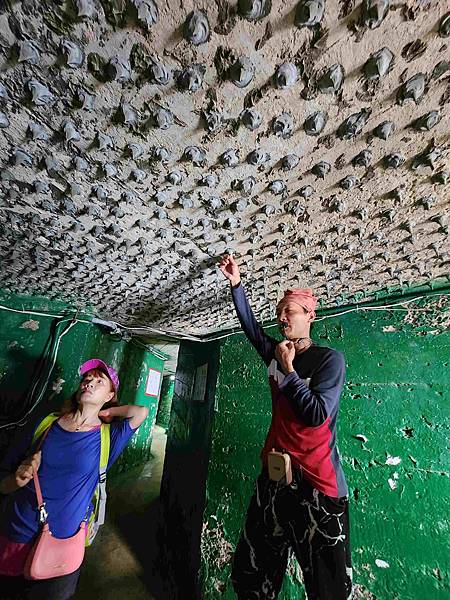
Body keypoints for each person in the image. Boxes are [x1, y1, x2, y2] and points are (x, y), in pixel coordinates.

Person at [219, 254, 352, 600]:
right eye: (280, 312)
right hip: (275, 479)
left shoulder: (328, 360)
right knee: (250, 575)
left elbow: (315, 414)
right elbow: (252, 329)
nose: (282, 317)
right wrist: (236, 284)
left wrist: (290, 372)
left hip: (318, 487)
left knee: (328, 590)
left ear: (310, 315)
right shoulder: (277, 355)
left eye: (289, 311)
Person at [0, 358, 149, 600]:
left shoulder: (107, 438)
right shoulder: (45, 423)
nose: (89, 382)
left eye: (99, 381)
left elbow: (140, 412)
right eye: (86, 378)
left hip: (64, 543)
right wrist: (15, 481)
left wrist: (108, 412)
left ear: (110, 395)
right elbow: (4, 478)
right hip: (16, 533)